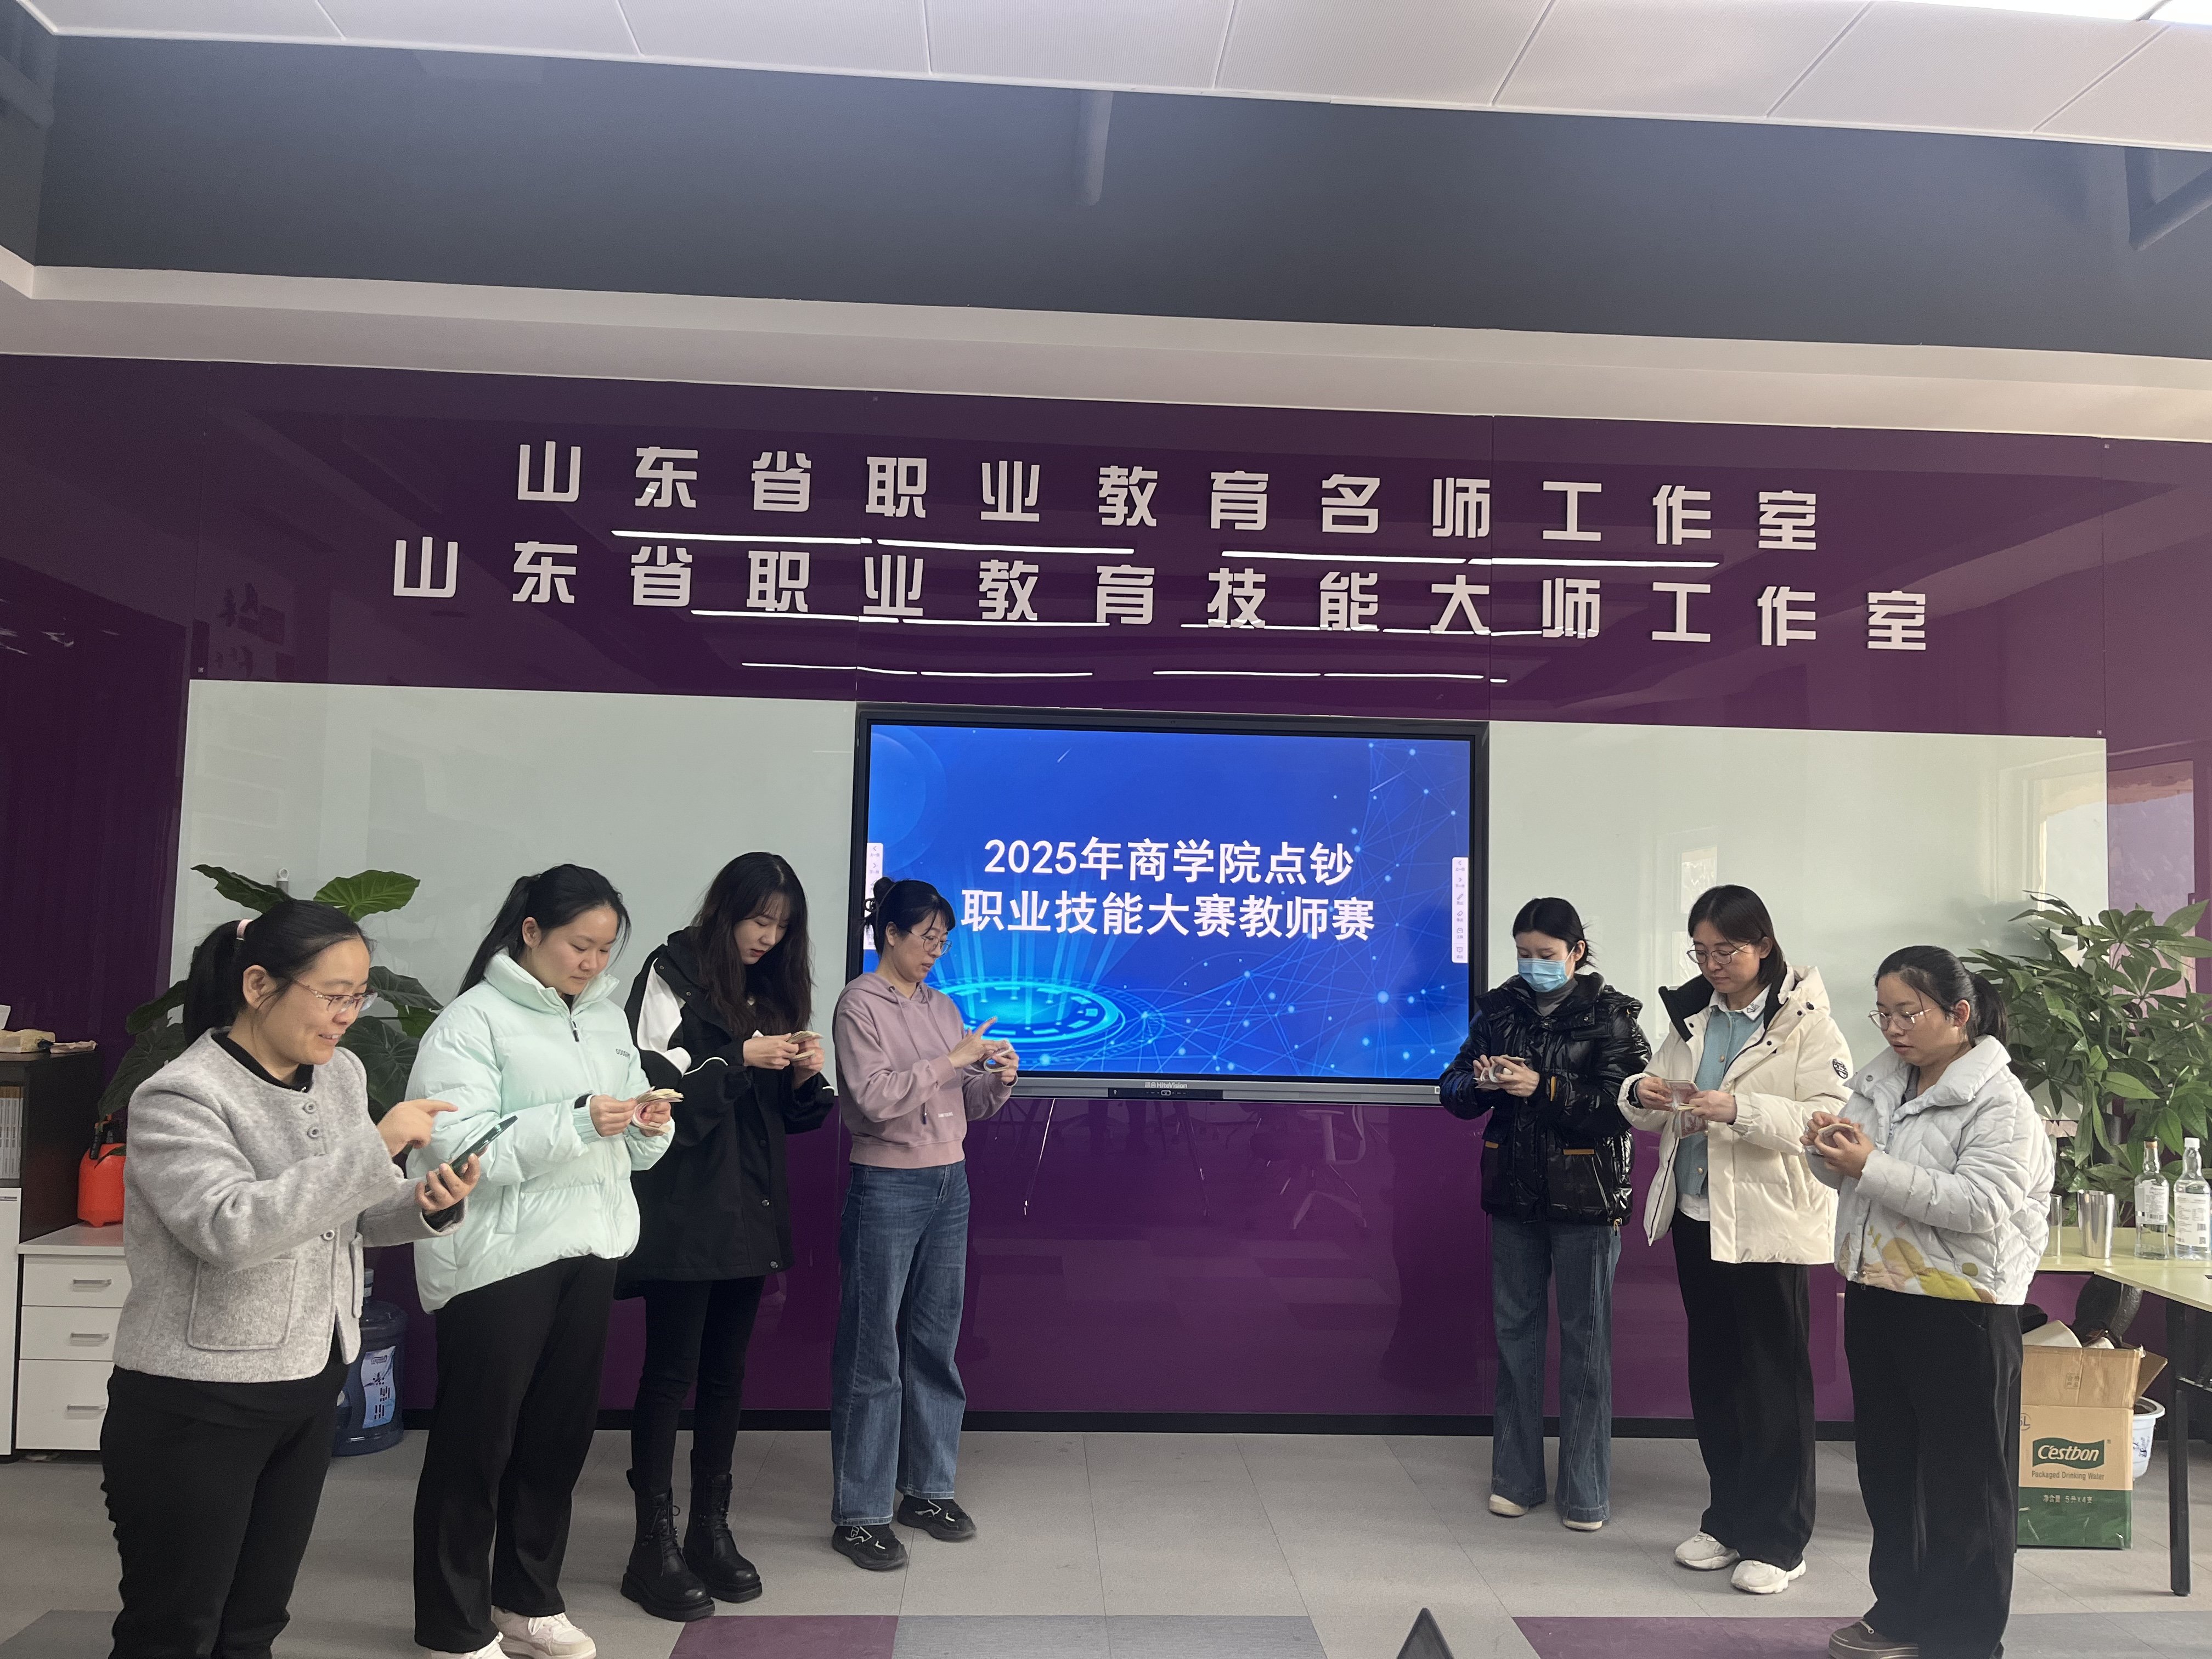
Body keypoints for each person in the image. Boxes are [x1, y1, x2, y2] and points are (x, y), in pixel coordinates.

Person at [103, 901, 479, 1659]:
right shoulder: (182, 1095)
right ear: (257, 985)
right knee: (174, 1627)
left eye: (359, 996)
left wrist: (422, 1205)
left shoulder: (341, 1076)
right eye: (333, 995)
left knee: (254, 1622)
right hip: (199, 1401)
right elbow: (230, 1229)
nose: (348, 1016)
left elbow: (348, 1214)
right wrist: (374, 1149)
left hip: (307, 1380)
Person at [405, 866, 675, 1659]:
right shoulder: (471, 1021)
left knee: (557, 1440)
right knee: (476, 1445)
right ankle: (453, 1627)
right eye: (578, 945)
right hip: (496, 1259)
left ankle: (528, 1600)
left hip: (589, 1247)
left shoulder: (605, 1019)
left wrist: (648, 1125)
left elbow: (630, 1147)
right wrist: (579, 1121)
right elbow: (456, 1149)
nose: (593, 962)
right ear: (530, 932)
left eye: (605, 948)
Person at [1807, 946, 2053, 1659]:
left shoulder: (2002, 1103)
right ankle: (1901, 1612)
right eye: (1883, 1013)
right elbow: (1849, 1178)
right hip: (1878, 1293)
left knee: (1965, 1483)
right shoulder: (1881, 1081)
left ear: (1959, 1014)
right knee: (1890, 1471)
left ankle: (1964, 1638)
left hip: (1962, 1308)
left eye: (1907, 1013)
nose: (1892, 1027)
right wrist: (1826, 1150)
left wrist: (1869, 1165)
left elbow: (1981, 1205)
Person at [617, 852, 837, 1621]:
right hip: (685, 1206)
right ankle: (652, 1545)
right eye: (758, 920)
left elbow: (781, 1115)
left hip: (750, 1207)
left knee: (725, 1377)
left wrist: (804, 1078)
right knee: (669, 1375)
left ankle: (710, 1530)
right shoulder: (671, 972)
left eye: (781, 927)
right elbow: (649, 1083)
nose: (768, 938)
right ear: (724, 909)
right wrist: (738, 1056)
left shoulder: (769, 987)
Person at [1620, 885, 1849, 1596]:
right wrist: (1640, 1093)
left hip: (1768, 1224)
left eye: (1727, 950)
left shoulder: (1806, 1021)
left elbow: (1828, 1119)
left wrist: (1740, 1109)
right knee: (1716, 1375)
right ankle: (1727, 1520)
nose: (1713, 964)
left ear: (1764, 946)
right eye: (1701, 951)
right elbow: (1653, 1101)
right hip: (1697, 1213)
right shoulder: (1693, 1014)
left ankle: (1780, 1539)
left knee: (1773, 1382)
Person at [827, 876, 1017, 1571]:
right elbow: (874, 1099)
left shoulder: (943, 1007)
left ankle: (928, 1491)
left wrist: (996, 1079)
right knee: (873, 1349)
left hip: (948, 1180)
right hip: (887, 1184)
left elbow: (966, 1101)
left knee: (936, 1341)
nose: (937, 950)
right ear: (891, 935)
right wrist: (953, 1060)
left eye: (945, 939)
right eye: (927, 937)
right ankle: (860, 1514)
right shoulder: (859, 1003)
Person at [1441, 896, 1648, 1533]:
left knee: (1587, 1347)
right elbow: (1451, 1090)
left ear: (1576, 952)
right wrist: (1480, 1083)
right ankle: (1516, 1480)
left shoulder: (1614, 1017)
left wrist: (1544, 1086)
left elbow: (1625, 1107)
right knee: (1515, 1339)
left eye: (1546, 955)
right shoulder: (1499, 1010)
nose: (1534, 966)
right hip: (1514, 1194)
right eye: (1524, 954)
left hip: (1588, 1199)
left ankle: (1585, 1493)